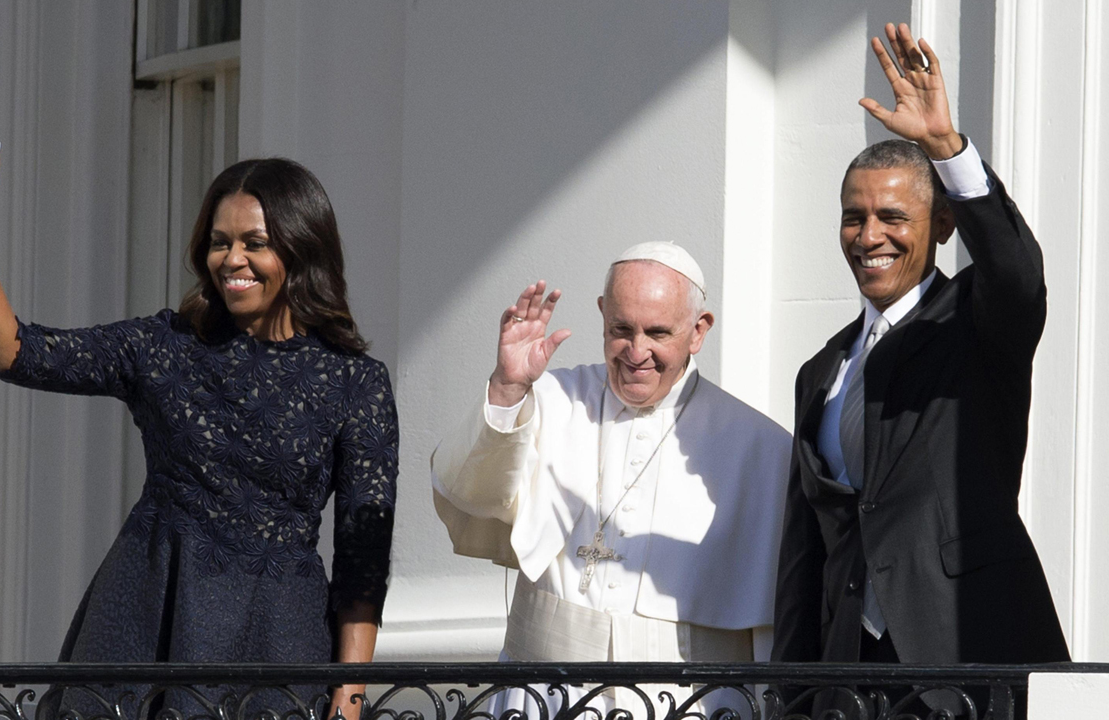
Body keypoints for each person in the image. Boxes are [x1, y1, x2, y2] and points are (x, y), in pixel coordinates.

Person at [0, 99, 397, 718]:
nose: (233, 260)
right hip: (146, 620)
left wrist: (350, 690)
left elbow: (364, 562)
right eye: (220, 243)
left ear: (303, 251)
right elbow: (13, 351)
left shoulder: (355, 382)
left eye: (256, 243)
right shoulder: (166, 346)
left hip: (277, 639)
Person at [772, 22, 1069, 713]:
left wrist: (948, 150)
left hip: (965, 659)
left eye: (892, 216)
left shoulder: (975, 325)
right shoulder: (821, 371)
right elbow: (805, 555)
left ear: (940, 228)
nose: (869, 236)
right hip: (849, 678)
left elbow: (1018, 277)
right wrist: (790, 695)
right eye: (853, 217)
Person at [432, 243, 792, 717]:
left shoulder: (760, 447)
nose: (636, 352)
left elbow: (775, 628)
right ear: (602, 314)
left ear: (699, 330)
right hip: (547, 696)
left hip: (688, 705)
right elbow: (465, 494)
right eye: (621, 330)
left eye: (657, 333)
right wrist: (507, 389)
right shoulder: (551, 400)